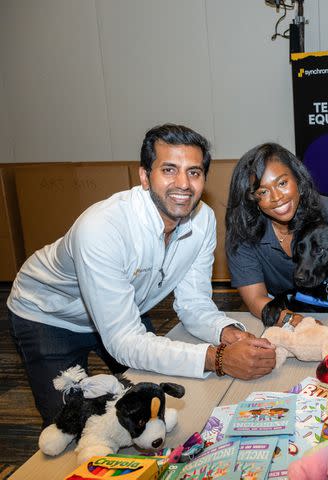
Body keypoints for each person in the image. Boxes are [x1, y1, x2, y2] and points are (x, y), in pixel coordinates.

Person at [7, 124, 276, 426]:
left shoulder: (203, 220)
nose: (183, 184)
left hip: (125, 310)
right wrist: (218, 358)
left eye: (194, 172)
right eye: (169, 170)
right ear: (145, 177)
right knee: (69, 427)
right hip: (49, 315)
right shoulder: (102, 228)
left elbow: (194, 304)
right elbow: (124, 340)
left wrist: (226, 332)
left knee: (150, 409)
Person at [226, 143, 328, 328]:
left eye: (282, 183)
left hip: (327, 302)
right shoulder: (243, 235)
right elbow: (256, 299)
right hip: (278, 305)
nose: (277, 197)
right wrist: (295, 321)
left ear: (299, 181)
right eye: (263, 191)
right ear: (252, 198)